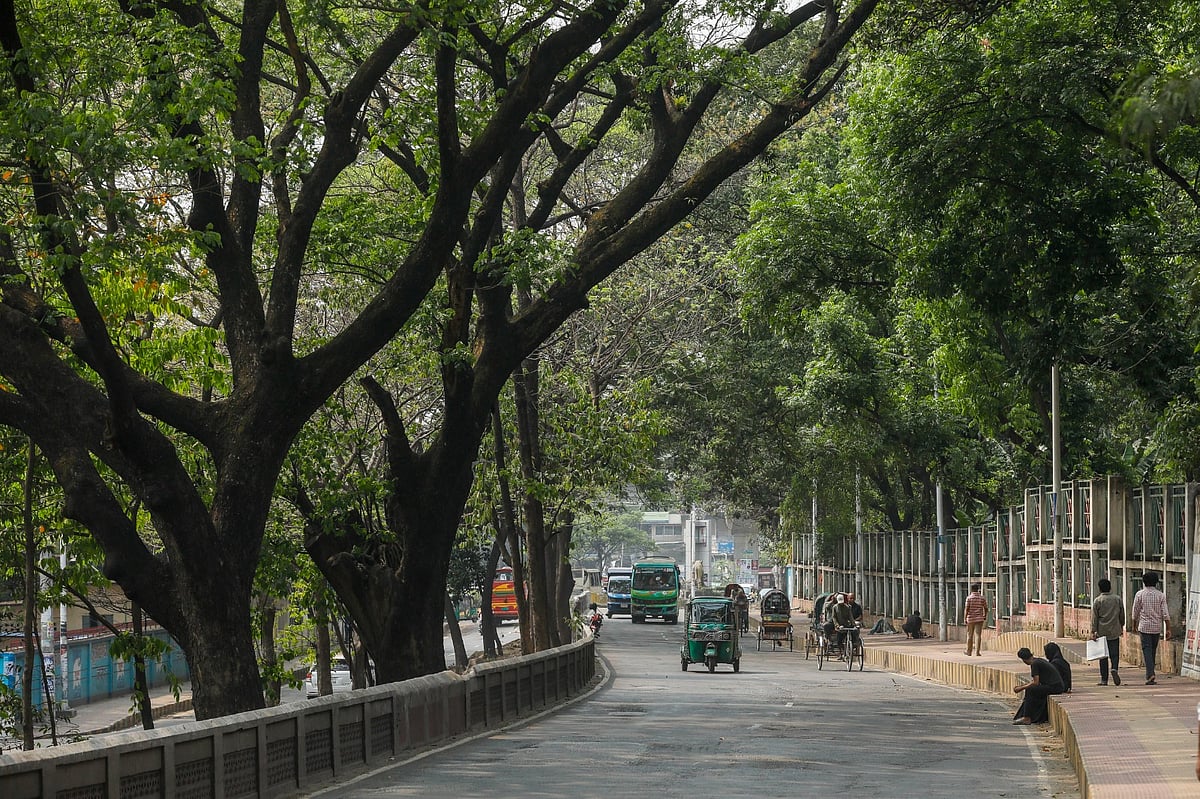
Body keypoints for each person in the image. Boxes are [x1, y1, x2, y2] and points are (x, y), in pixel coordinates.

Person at [1131, 570, 1170, 685]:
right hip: (1156, 627)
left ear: (1144, 582)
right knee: (1152, 650)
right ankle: (1150, 673)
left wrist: (1133, 625)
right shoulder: (1160, 595)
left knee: (1147, 650)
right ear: (1156, 583)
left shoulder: (1139, 594)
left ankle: (1150, 674)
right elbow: (1165, 613)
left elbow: (1135, 612)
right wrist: (1168, 628)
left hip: (1144, 627)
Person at [1012, 646, 1065, 725]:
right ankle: (1028, 715)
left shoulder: (1034, 664)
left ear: (1023, 659)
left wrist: (1021, 688)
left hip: (1055, 687)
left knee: (1030, 690)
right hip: (1058, 686)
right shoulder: (1039, 660)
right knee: (1033, 690)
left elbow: (1035, 683)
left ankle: (1027, 718)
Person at [1090, 577, 1124, 686]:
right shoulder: (1117, 599)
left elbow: (1094, 618)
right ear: (1110, 588)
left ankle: (1104, 679)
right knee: (1115, 654)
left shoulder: (1098, 601)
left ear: (1099, 589)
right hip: (1114, 629)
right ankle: (1114, 668)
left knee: (1103, 656)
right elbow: (1121, 614)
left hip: (1102, 631)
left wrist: (1093, 631)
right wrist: (1121, 625)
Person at [963, 583, 988, 656]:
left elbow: (966, 609)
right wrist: (984, 615)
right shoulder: (982, 598)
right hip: (979, 618)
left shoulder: (969, 598)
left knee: (969, 635)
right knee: (978, 635)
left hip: (970, 618)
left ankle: (969, 651)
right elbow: (986, 608)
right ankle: (977, 652)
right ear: (978, 589)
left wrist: (965, 618)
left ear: (971, 589)